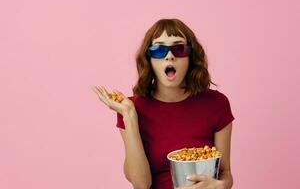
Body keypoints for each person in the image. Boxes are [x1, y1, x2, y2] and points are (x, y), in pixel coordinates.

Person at [92, 18, 235, 189]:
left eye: (179, 48)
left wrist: (220, 186)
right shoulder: (131, 109)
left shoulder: (216, 104)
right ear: (149, 59)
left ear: (191, 56)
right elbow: (141, 184)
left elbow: (225, 173)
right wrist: (129, 116)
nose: (169, 56)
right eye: (159, 50)